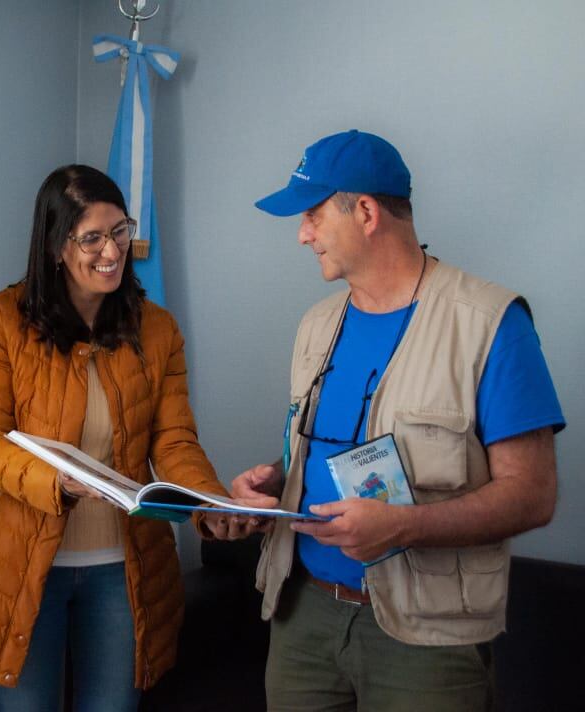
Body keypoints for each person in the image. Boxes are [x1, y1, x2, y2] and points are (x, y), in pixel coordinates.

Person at [220, 130, 564, 711]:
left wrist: (402, 527)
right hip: (301, 616)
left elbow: (532, 496)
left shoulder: (491, 324)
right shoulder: (315, 325)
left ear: (366, 211)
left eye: (312, 214)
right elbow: (328, 445)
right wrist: (275, 483)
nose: (303, 234)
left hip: (425, 643)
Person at [0, 164, 230, 710]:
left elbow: (174, 442)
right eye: (92, 238)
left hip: (122, 569)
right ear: (56, 245)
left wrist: (207, 502)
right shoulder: (4, 319)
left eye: (120, 231)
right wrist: (59, 482)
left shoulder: (157, 328)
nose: (112, 251)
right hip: (22, 561)